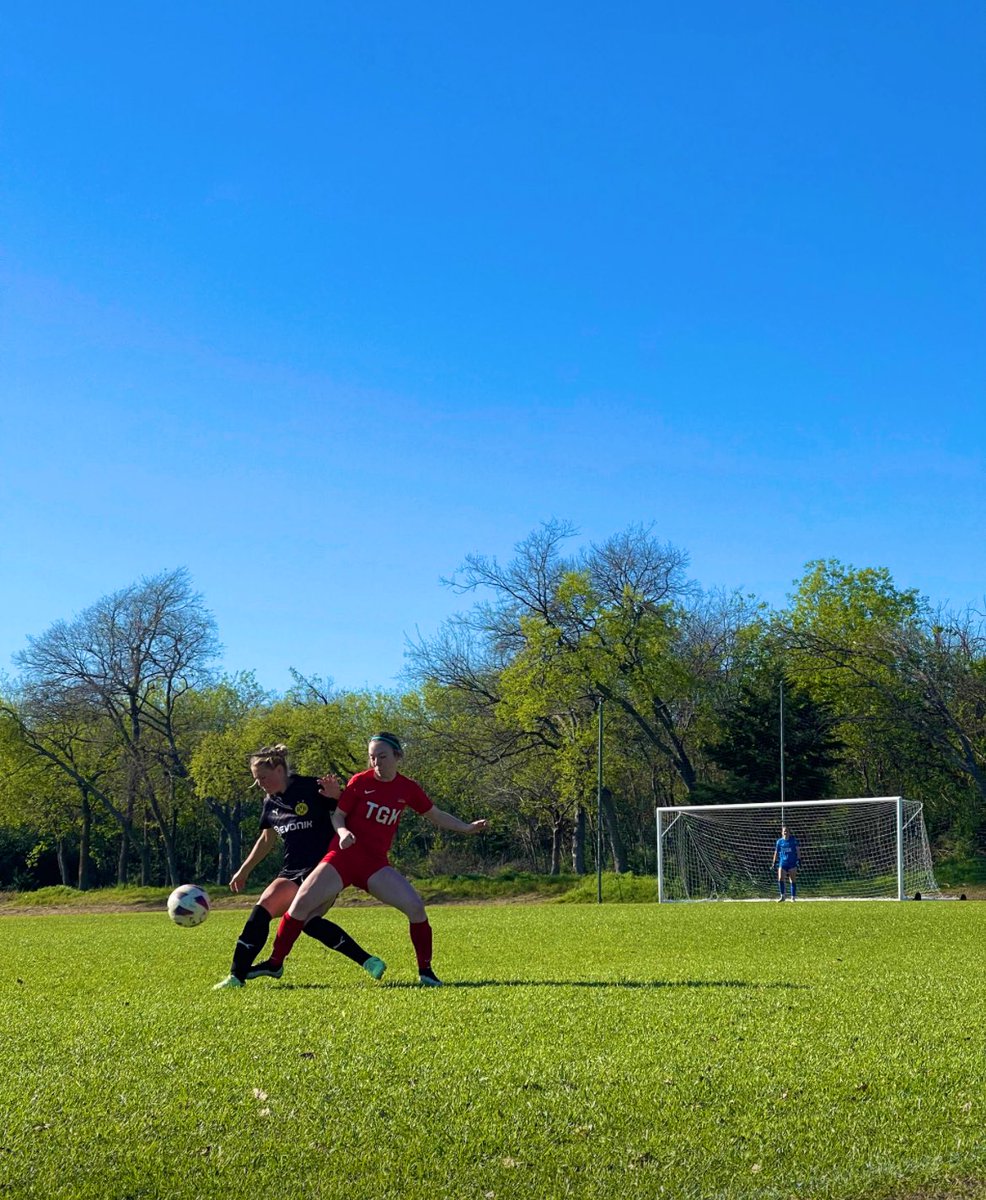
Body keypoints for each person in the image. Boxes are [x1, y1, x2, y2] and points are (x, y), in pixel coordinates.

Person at [251, 732, 487, 987]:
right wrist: (342, 833)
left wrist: (466, 827)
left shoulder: (407, 788)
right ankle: (275, 963)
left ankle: (426, 972)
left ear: (398, 756)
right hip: (341, 858)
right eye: (372, 757)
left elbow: (435, 814)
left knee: (416, 908)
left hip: (374, 865)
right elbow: (338, 816)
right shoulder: (360, 782)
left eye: (383, 757)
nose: (377, 763)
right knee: (299, 908)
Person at [212, 744, 386, 990]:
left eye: (263, 777)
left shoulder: (312, 787)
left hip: (326, 868)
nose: (260, 783)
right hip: (291, 870)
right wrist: (244, 870)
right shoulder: (270, 802)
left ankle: (367, 961)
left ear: (280, 769)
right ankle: (236, 976)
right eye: (256, 780)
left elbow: (348, 812)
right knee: (261, 912)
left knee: (308, 922)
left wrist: (337, 795)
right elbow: (266, 840)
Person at [771, 824, 800, 901]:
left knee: (792, 879)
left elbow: (797, 850)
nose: (785, 832)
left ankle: (793, 897)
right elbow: (776, 852)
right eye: (784, 831)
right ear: (782, 832)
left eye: (787, 831)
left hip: (792, 863)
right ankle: (782, 896)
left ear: (789, 832)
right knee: (780, 878)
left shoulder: (793, 840)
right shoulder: (779, 842)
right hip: (782, 862)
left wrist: (799, 859)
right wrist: (773, 862)